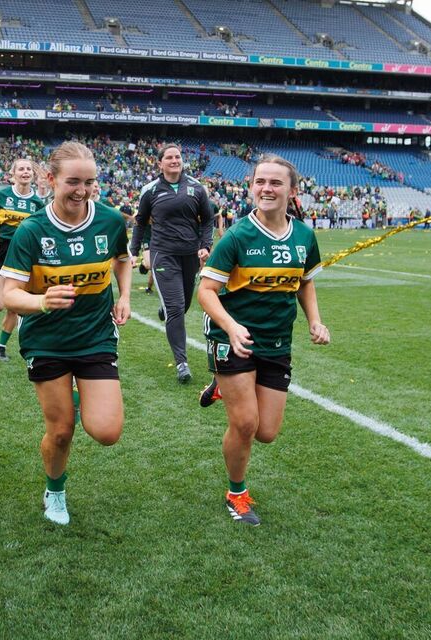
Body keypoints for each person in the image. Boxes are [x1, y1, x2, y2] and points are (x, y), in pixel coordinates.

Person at [0, 142, 132, 525]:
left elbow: (122, 259)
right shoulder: (31, 231)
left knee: (107, 432)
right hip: (47, 341)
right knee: (61, 432)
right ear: (51, 179)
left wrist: (124, 295)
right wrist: (41, 301)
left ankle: (78, 395)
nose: (82, 190)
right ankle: (54, 492)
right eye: (73, 181)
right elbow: (9, 295)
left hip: (95, 336)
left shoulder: (108, 221)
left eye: (89, 182)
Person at [196, 154, 330, 527]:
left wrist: (315, 321)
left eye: (276, 183)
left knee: (267, 433)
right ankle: (236, 494)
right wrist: (232, 325)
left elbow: (305, 281)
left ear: (292, 190)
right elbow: (206, 291)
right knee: (245, 425)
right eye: (260, 182)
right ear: (251, 187)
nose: (267, 189)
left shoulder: (304, 235)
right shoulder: (238, 235)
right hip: (232, 337)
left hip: (276, 342)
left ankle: (221, 386)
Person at [129, 143, 216, 383]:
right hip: (163, 254)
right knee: (177, 308)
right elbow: (141, 221)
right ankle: (182, 363)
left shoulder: (197, 188)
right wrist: (134, 251)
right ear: (160, 163)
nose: (175, 160)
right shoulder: (151, 190)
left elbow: (207, 220)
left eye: (178, 156)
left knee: (184, 304)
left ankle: (164, 308)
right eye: (169, 157)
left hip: (189, 255)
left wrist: (205, 245)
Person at [0, 158, 47, 362]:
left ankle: (1, 347)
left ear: (33, 174)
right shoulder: (1, 196)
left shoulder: (38, 204)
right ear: (12, 174)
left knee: (14, 304)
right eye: (21, 169)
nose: (25, 172)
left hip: (22, 256)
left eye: (28, 169)